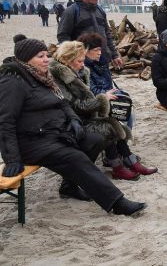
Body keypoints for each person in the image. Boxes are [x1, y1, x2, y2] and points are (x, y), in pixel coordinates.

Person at [0, 38, 146, 216]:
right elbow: (5, 121)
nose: (47, 59)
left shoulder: (41, 75)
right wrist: (12, 159)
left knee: (95, 138)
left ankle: (69, 186)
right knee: (75, 157)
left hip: (54, 133)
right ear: (26, 59)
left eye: (47, 55)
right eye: (41, 56)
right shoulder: (13, 81)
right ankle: (117, 202)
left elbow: (62, 102)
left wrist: (73, 119)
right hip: (31, 142)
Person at [50, 41, 157, 180]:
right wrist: (101, 99)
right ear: (66, 60)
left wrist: (102, 98)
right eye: (80, 61)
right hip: (71, 121)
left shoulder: (80, 71)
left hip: (86, 114)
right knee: (108, 126)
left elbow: (86, 98)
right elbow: (73, 105)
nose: (83, 64)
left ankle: (126, 163)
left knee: (111, 123)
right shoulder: (58, 77)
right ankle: (122, 165)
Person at [57, 0, 123, 69]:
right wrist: (72, 58)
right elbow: (63, 37)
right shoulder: (71, 12)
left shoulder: (100, 11)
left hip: (102, 59)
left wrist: (114, 55)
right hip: (82, 62)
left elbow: (107, 35)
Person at [79, 33, 135, 129]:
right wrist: (106, 95)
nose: (99, 53)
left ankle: (124, 138)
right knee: (125, 112)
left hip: (108, 96)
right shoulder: (83, 68)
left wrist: (117, 93)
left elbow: (108, 84)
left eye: (100, 49)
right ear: (85, 51)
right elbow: (91, 91)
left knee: (127, 107)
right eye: (96, 50)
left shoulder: (102, 63)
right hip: (97, 103)